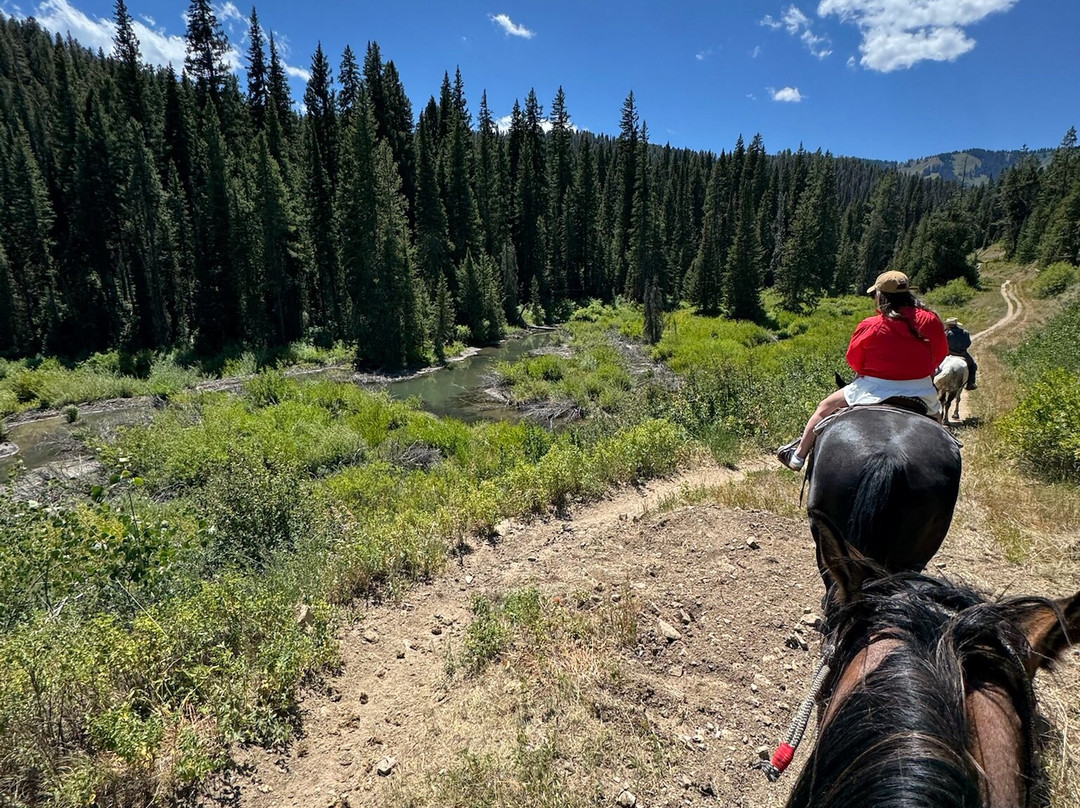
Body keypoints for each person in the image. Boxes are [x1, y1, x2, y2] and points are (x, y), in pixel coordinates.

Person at [776, 270, 949, 471]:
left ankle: (798, 456)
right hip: (919, 388)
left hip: (873, 386)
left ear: (881, 296)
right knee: (938, 427)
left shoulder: (871, 325)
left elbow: (853, 359)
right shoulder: (931, 320)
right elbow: (941, 353)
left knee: (824, 408)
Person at [944, 317, 977, 390]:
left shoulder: (946, 333)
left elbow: (943, 344)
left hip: (949, 353)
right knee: (972, 365)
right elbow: (968, 344)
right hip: (963, 354)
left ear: (948, 325)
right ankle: (971, 383)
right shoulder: (965, 332)